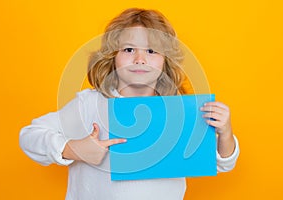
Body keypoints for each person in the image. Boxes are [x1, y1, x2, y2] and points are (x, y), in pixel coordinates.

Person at [19, 8, 239, 200]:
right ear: (112, 56)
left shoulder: (179, 111)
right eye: (128, 49)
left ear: (165, 60)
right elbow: (29, 135)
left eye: (151, 51)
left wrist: (225, 133)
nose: (140, 59)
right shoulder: (91, 103)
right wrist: (72, 149)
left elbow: (223, 163)